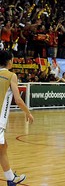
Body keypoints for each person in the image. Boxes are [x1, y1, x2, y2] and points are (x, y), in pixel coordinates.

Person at [0, 50, 34, 186]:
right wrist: (28, 112)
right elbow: (18, 100)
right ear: (9, 61)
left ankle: (11, 179)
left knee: (3, 147)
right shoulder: (11, 76)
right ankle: (11, 179)